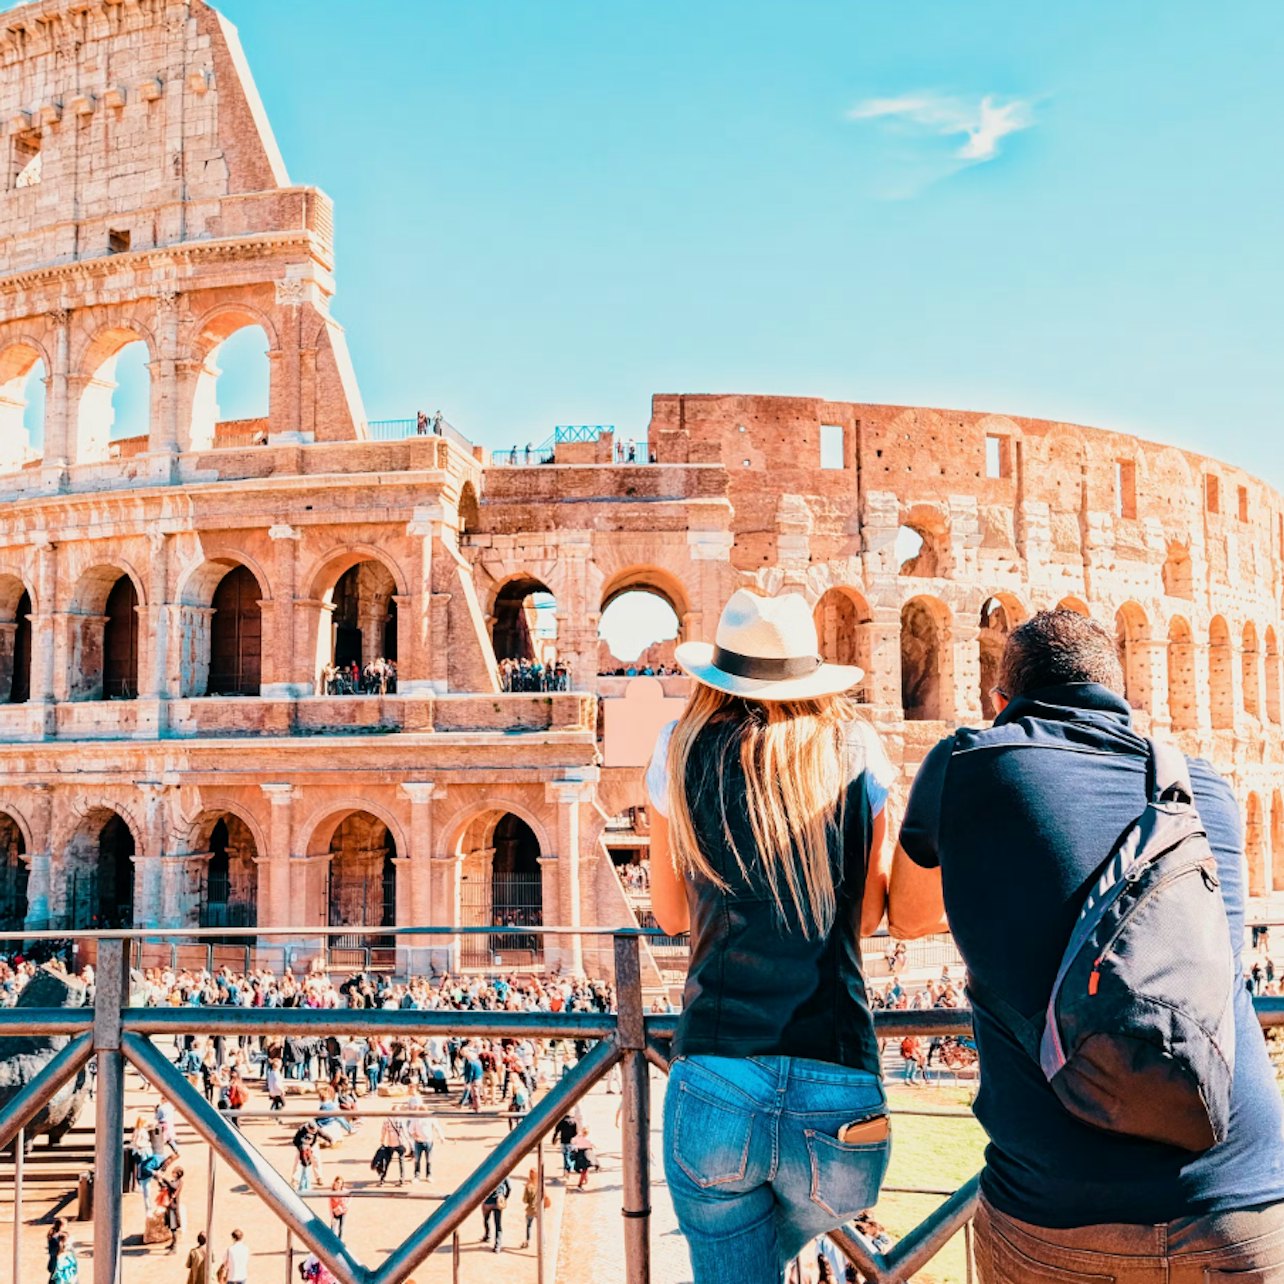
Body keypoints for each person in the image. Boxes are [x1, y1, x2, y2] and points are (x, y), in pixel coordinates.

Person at [890, 609, 1284, 1282]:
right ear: (1124, 697)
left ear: (999, 703)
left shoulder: (965, 764)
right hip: (1244, 1198)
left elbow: (910, 916)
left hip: (1059, 1208)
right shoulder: (1203, 785)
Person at [647, 589, 893, 1283]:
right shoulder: (856, 746)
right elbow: (869, 915)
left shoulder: (680, 745)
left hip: (717, 1077)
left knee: (735, 1261)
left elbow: (668, 913)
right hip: (841, 1093)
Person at [157, 1164, 184, 1252]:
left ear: (178, 1174)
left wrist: (163, 1178)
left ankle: (174, 1246)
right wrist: (159, 1180)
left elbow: (172, 1186)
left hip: (173, 1208)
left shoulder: (178, 1182)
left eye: (174, 1172)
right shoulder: (175, 1181)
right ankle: (172, 1243)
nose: (173, 1174)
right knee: (171, 1226)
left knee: (173, 1228)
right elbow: (166, 1186)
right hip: (170, 1206)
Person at [481, 1176, 510, 1253]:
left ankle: (487, 1236)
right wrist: (504, 1197)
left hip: (487, 1202)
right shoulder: (503, 1174)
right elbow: (509, 1188)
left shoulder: (487, 1173)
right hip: (498, 1202)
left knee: (486, 1219)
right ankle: (497, 1245)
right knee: (498, 1224)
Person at [521, 1167, 546, 1249]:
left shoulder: (528, 1186)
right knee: (541, 1228)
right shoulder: (541, 1184)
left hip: (531, 1209)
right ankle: (543, 1245)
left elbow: (525, 1200)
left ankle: (528, 1241)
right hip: (540, 1209)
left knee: (529, 1226)